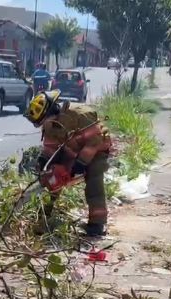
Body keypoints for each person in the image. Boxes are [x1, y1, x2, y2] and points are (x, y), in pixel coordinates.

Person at [23, 90, 112, 237]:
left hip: (97, 150)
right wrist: (44, 159)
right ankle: (44, 216)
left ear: (50, 112)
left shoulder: (80, 115)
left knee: (94, 179)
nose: (42, 125)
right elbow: (50, 145)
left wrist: (81, 163)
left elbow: (94, 142)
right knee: (53, 178)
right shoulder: (50, 124)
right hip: (72, 149)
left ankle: (97, 223)